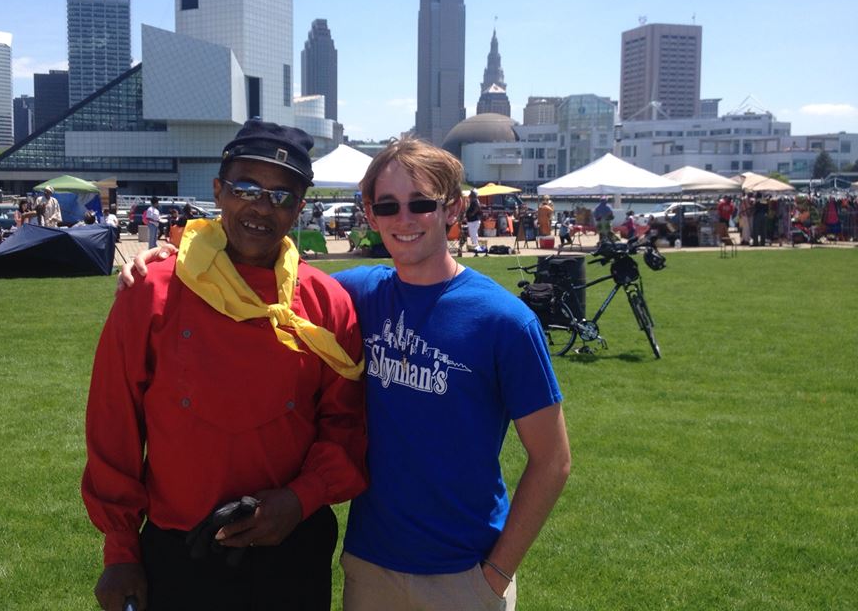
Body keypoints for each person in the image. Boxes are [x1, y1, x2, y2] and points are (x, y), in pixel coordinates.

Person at [122, 139, 570, 610]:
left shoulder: (504, 320)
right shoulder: (356, 294)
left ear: (452, 208)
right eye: (387, 206)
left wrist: (494, 575)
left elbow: (553, 460)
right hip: (369, 564)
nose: (404, 219)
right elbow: (271, 282)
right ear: (370, 215)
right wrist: (174, 263)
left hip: (464, 571)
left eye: (421, 203)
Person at [82, 120, 367, 611]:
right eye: (247, 188)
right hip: (180, 552)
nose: (261, 207)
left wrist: (300, 498)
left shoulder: (327, 303)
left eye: (281, 196)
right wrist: (121, 550)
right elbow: (115, 427)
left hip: (291, 548)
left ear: (299, 208)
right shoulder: (153, 291)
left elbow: (347, 426)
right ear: (219, 191)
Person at [465, 187, 483, 252]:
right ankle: (475, 245)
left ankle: (476, 246)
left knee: (473, 234)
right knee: (473, 234)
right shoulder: (473, 201)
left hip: (474, 220)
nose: (470, 194)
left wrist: (471, 214)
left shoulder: (475, 201)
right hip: (472, 220)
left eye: (472, 193)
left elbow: (477, 208)